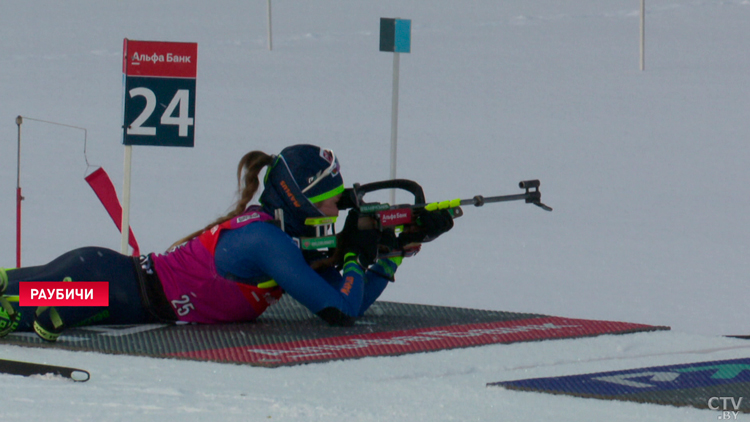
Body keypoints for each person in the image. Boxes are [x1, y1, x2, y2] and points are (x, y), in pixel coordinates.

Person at [0, 144, 453, 342]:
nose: (338, 210)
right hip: (105, 286)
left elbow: (345, 297)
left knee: (14, 299)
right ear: (301, 199)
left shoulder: (281, 240)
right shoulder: (266, 242)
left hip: (113, 285)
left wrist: (388, 257)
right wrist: (358, 252)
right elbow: (340, 311)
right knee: (13, 309)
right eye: (333, 200)